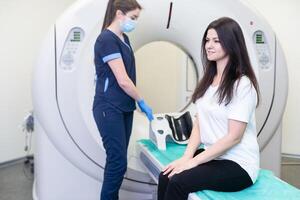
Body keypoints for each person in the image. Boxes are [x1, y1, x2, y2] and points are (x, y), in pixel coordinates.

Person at [157, 17, 260, 200]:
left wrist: (194, 162)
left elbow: (234, 137)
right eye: (207, 40)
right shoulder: (208, 81)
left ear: (231, 44)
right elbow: (199, 122)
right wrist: (186, 157)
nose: (209, 46)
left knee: (178, 182)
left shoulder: (242, 85)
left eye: (216, 41)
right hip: (214, 156)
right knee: (166, 175)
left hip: (238, 164)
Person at [92, 0, 154, 199]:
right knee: (117, 163)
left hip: (124, 107)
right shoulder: (106, 39)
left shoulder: (124, 38)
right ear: (119, 14)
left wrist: (134, 104)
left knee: (119, 162)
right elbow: (123, 80)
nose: (135, 22)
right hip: (108, 107)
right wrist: (142, 101)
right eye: (133, 17)